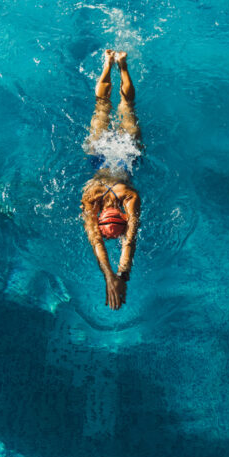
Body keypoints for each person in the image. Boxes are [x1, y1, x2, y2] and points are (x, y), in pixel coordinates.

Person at [81, 50, 142, 310]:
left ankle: (121, 64)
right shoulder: (91, 196)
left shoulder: (130, 196)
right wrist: (113, 275)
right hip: (98, 153)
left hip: (128, 153)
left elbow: (129, 238)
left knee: (125, 107)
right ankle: (111, 64)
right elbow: (97, 239)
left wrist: (119, 276)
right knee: (103, 105)